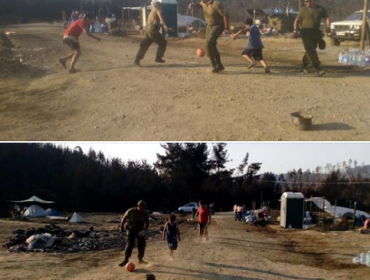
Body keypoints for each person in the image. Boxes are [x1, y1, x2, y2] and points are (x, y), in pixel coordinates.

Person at [189, 0, 229, 73]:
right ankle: (219, 65)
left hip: (218, 25)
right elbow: (200, 5)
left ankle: (213, 65)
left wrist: (226, 28)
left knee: (208, 43)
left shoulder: (216, 3)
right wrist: (193, 5)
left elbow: (225, 15)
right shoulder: (203, 2)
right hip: (209, 26)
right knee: (212, 45)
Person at [293, 0, 331, 76]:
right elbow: (296, 20)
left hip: (316, 33)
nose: (305, 3)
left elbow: (327, 18)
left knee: (310, 50)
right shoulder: (303, 10)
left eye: (307, 1)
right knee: (311, 49)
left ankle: (303, 66)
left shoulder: (320, 9)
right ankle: (317, 68)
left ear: (312, 1)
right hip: (306, 32)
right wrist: (295, 30)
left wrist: (328, 27)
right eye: (304, 1)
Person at [134, 0, 168, 66]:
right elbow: (161, 18)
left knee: (145, 44)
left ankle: (137, 59)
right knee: (163, 42)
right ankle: (158, 57)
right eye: (161, 6)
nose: (161, 7)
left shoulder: (152, 11)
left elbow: (158, 23)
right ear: (158, 6)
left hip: (147, 29)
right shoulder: (157, 10)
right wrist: (165, 25)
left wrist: (165, 27)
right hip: (152, 30)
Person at [118, 200, 150, 267]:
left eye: (144, 207)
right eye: (142, 207)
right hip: (131, 230)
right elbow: (124, 218)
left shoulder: (145, 213)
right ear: (138, 206)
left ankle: (140, 259)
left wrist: (144, 231)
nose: (143, 209)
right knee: (129, 244)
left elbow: (147, 223)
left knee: (141, 245)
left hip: (140, 231)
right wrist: (121, 227)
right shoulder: (130, 211)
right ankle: (126, 260)